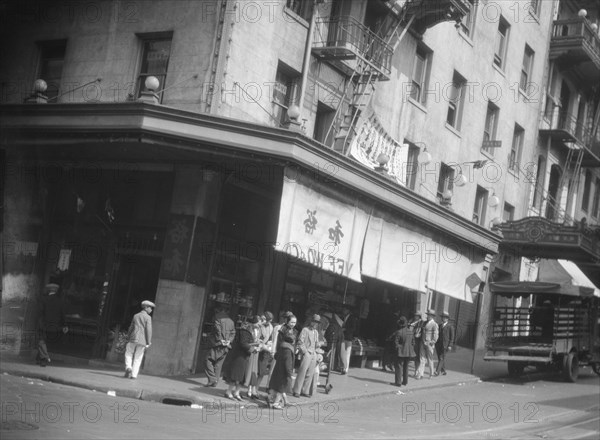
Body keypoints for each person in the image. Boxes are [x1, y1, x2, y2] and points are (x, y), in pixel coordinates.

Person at [268, 314, 297, 409]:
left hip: (280, 356)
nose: (293, 324)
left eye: (295, 322)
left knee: (278, 379)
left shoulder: (291, 331)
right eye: (292, 322)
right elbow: (277, 343)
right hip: (281, 357)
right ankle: (276, 402)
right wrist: (290, 374)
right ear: (287, 321)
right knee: (282, 381)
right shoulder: (283, 331)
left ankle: (281, 400)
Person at [36, 282, 68, 367]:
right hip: (55, 326)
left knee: (41, 341)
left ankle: (43, 360)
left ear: (48, 290)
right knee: (45, 342)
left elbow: (40, 313)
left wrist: (40, 323)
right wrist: (65, 325)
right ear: (56, 291)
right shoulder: (60, 301)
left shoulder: (43, 299)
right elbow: (63, 315)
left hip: (44, 324)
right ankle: (39, 358)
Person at [222, 319, 255, 401]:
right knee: (236, 375)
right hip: (240, 357)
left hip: (243, 356)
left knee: (241, 376)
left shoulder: (245, 332)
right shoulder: (244, 332)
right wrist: (253, 348)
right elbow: (243, 344)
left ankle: (236, 392)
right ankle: (229, 392)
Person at [203, 305, 235, 387]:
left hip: (218, 344)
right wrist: (228, 341)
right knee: (218, 364)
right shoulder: (231, 321)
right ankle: (215, 382)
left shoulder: (217, 318)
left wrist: (221, 340)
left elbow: (217, 330)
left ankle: (212, 379)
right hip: (226, 346)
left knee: (207, 360)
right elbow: (233, 333)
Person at [292, 314, 321, 398]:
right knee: (302, 371)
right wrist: (305, 352)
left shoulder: (316, 332)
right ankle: (296, 390)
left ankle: (305, 390)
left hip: (313, 353)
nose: (315, 324)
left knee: (310, 373)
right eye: (314, 321)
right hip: (307, 352)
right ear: (311, 321)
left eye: (317, 322)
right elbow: (300, 341)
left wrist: (317, 348)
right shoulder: (305, 330)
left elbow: (316, 343)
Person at [124, 300, 155, 379]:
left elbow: (131, 327)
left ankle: (128, 367)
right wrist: (148, 341)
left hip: (133, 338)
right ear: (146, 307)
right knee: (138, 357)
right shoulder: (148, 318)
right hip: (142, 340)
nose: (151, 310)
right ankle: (134, 375)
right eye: (150, 308)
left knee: (128, 353)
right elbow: (148, 330)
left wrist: (128, 336)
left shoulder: (136, 315)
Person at [391, 316, 415, 387]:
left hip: (401, 352)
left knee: (399, 366)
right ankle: (405, 381)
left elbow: (396, 343)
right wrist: (409, 348)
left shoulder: (399, 332)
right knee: (406, 366)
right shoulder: (410, 332)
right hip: (409, 352)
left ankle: (398, 382)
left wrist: (399, 348)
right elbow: (413, 342)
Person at [244, 315, 263, 399]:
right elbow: (247, 342)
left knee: (254, 371)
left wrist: (259, 345)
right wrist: (255, 344)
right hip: (250, 351)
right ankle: (248, 389)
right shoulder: (248, 329)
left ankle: (252, 389)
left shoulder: (259, 330)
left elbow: (258, 340)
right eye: (258, 323)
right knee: (249, 370)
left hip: (256, 352)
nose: (260, 324)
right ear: (254, 322)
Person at [416, 309, 438, 380]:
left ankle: (431, 373)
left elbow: (436, 335)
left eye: (429, 315)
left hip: (429, 344)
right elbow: (421, 331)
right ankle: (420, 374)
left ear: (432, 316)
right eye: (427, 315)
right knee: (422, 359)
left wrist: (432, 342)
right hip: (422, 343)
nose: (428, 316)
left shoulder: (434, 324)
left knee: (430, 359)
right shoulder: (424, 323)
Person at [256, 311, 275, 394]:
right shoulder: (259, 326)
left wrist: (269, 345)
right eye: (267, 320)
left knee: (261, 372)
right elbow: (256, 337)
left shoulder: (271, 327)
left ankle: (255, 389)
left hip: (265, 351)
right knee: (254, 371)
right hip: (257, 349)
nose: (268, 322)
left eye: (270, 320)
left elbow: (271, 338)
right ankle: (251, 389)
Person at [435, 311, 455, 376]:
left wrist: (450, 345)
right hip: (438, 344)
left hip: (445, 345)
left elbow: (452, 337)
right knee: (440, 358)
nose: (443, 319)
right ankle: (443, 371)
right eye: (443, 317)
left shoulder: (450, 326)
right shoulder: (440, 325)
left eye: (445, 318)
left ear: (447, 319)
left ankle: (437, 371)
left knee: (441, 358)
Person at [339, 305, 357, 375]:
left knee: (347, 354)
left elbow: (353, 328)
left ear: (348, 310)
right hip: (343, 337)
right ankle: (342, 367)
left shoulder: (352, 318)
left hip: (348, 337)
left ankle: (345, 369)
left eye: (345, 309)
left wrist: (345, 329)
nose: (343, 311)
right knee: (343, 353)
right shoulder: (344, 317)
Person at [409, 312, 424, 377]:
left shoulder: (422, 323)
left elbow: (423, 332)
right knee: (414, 357)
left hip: (418, 342)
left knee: (418, 357)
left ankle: (417, 371)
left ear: (419, 316)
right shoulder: (412, 322)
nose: (415, 317)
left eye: (417, 316)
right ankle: (416, 371)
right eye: (415, 316)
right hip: (412, 341)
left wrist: (419, 334)